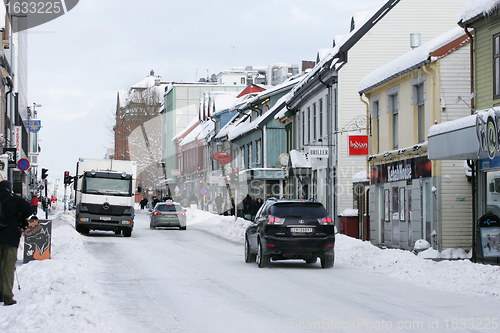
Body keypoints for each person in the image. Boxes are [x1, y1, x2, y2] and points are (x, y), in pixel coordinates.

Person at [0, 180, 35, 306]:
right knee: (8, 268)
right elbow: (29, 210)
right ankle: (7, 296)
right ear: (9, 188)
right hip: (10, 238)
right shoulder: (14, 199)